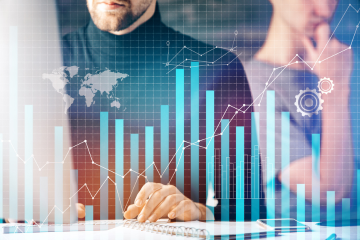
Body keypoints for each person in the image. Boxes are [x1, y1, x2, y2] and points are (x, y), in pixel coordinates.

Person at [64, 0, 253, 221]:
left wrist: (201, 212)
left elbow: (250, 209)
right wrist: (16, 211)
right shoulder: (37, 67)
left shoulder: (218, 69)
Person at [244, 0, 354, 220]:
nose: (324, 10)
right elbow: (329, 191)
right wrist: (336, 88)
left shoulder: (346, 64)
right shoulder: (250, 87)